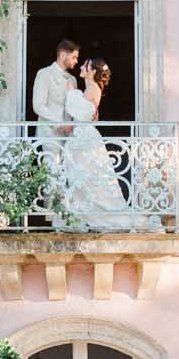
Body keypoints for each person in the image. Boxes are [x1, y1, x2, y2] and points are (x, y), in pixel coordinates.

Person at [59, 58, 141, 229]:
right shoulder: (90, 89)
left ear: (93, 72)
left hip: (84, 138)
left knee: (87, 176)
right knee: (82, 177)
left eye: (85, 66)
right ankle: (81, 216)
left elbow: (79, 110)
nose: (81, 67)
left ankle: (93, 216)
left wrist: (71, 93)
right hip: (82, 136)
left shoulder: (92, 88)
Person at [31, 39, 81, 136]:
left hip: (69, 134)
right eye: (74, 57)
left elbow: (74, 108)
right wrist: (59, 124)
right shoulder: (44, 74)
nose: (76, 61)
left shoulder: (72, 79)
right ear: (63, 55)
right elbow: (38, 106)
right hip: (49, 133)